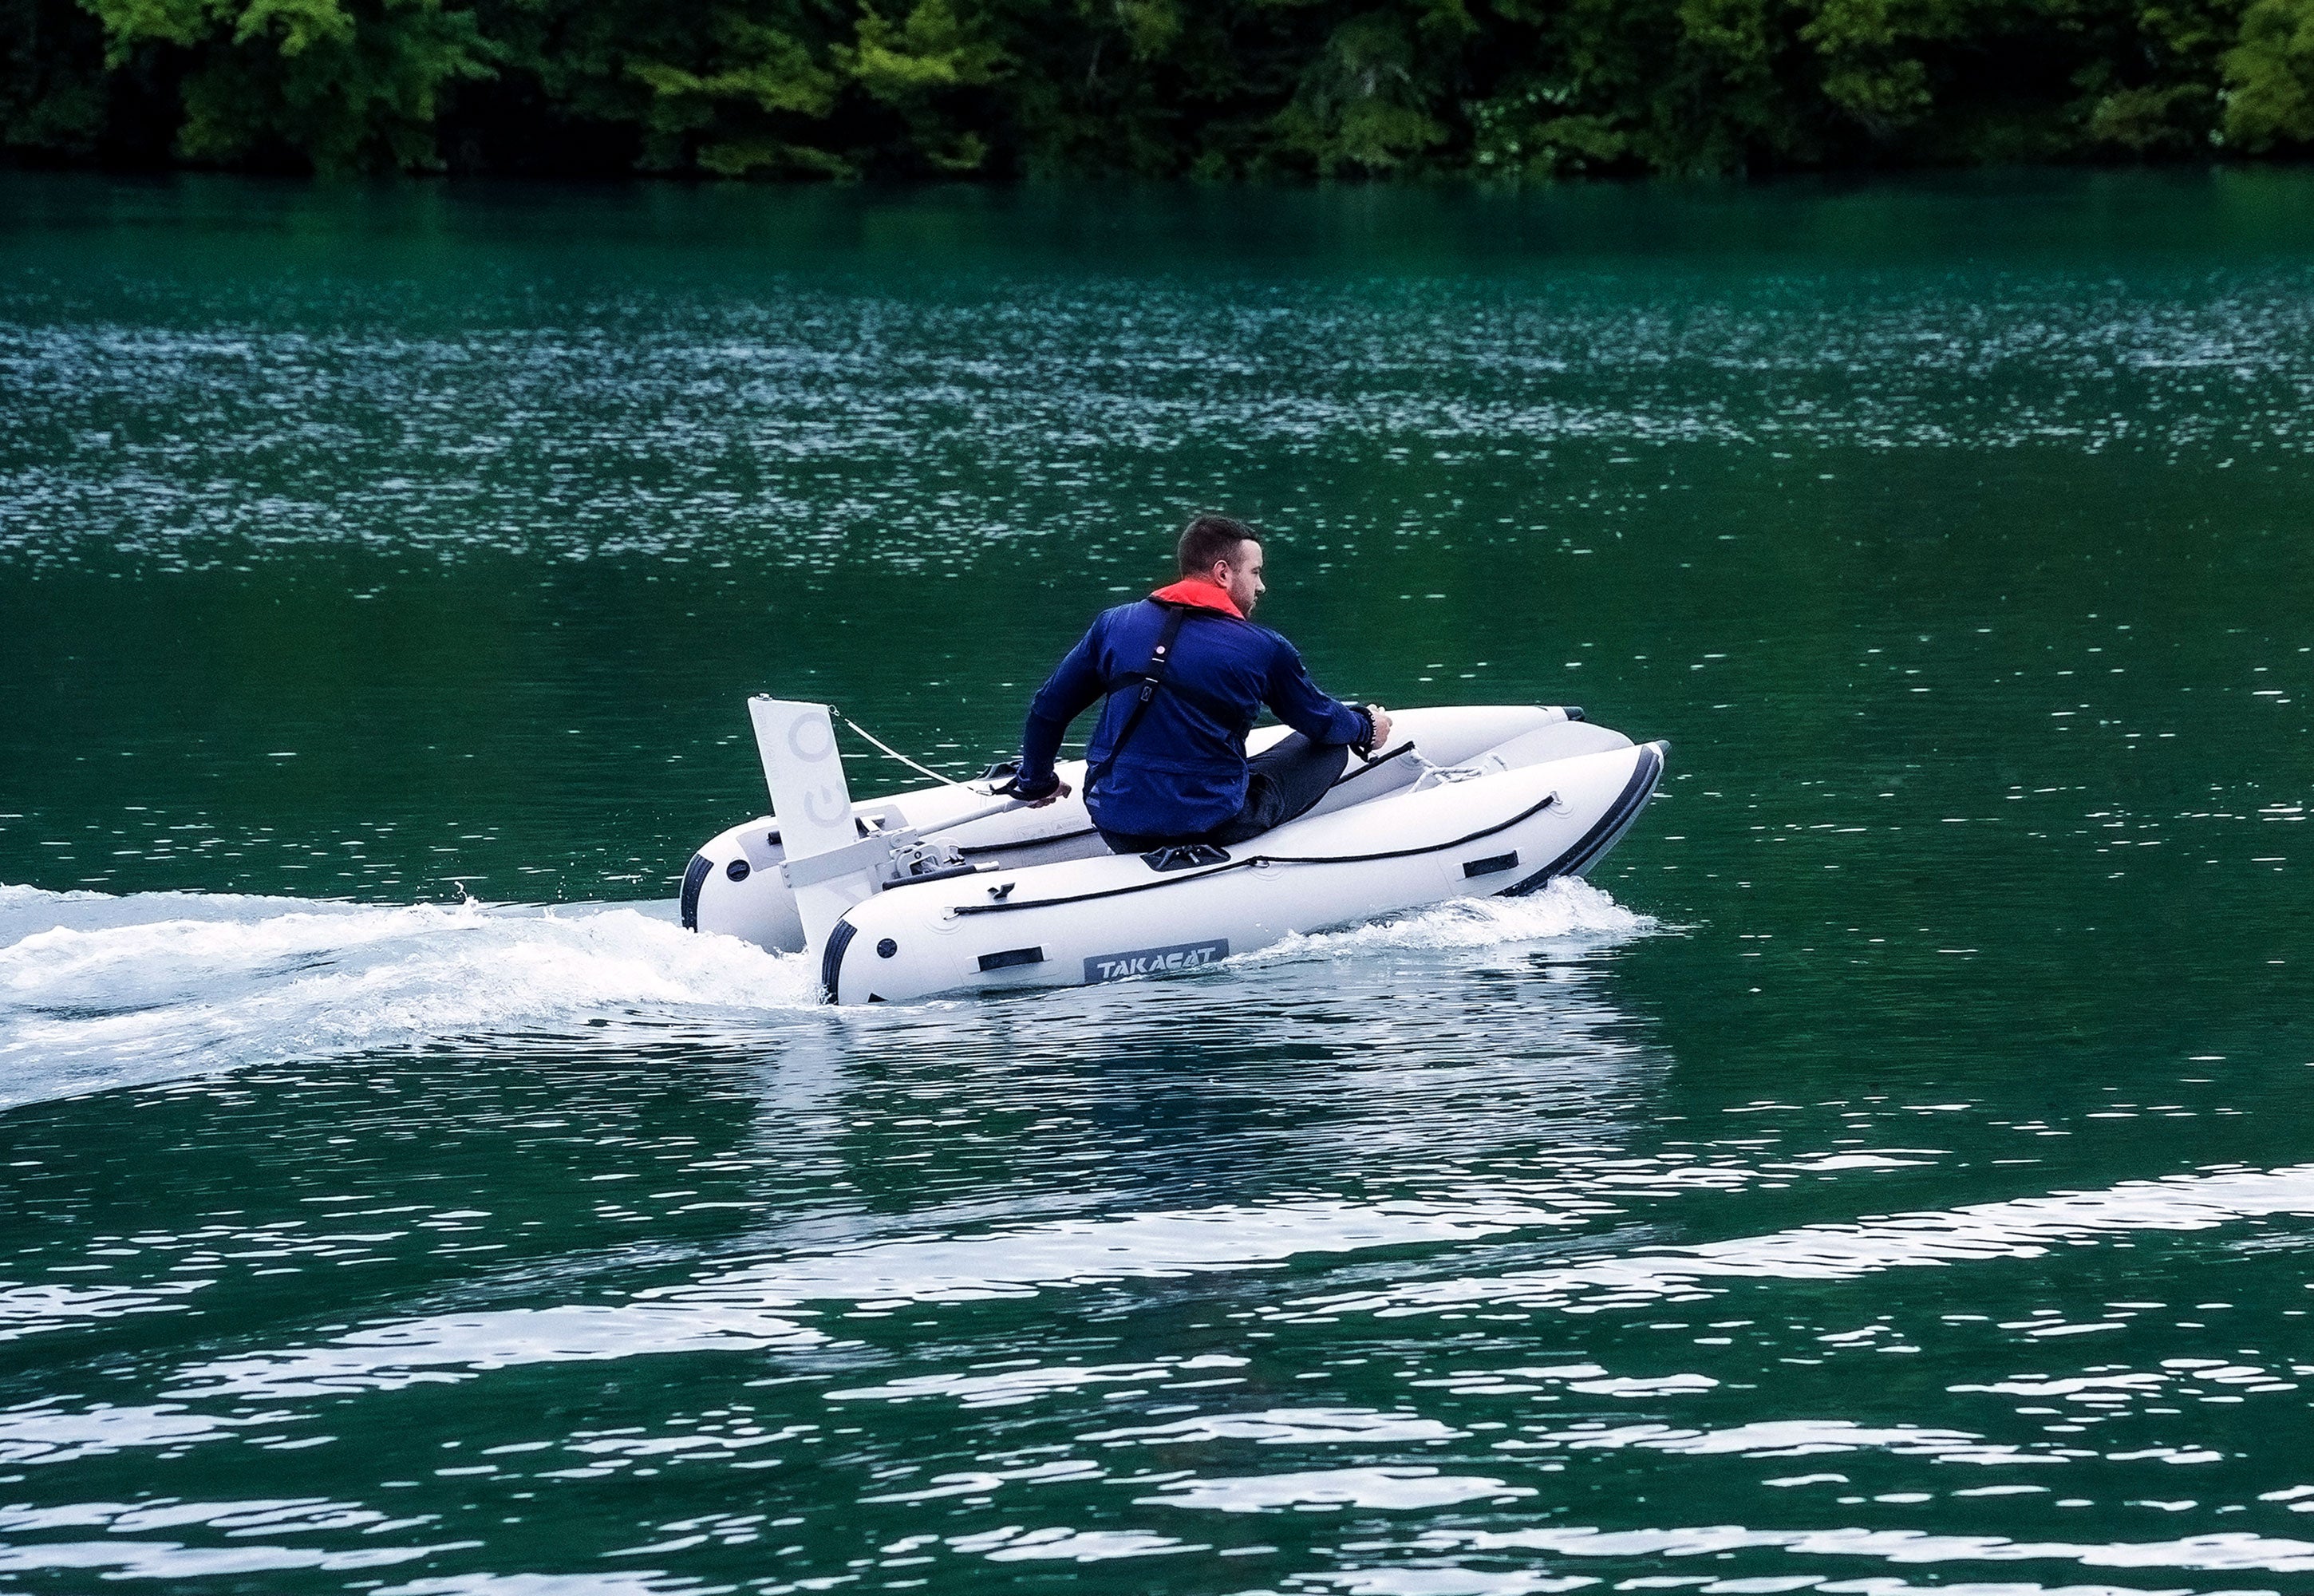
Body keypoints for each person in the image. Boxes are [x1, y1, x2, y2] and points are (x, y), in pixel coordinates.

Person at [1002, 515, 1393, 855]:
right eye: (1255, 572)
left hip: (1116, 823)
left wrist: (1036, 781)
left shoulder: (1113, 625)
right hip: (1212, 824)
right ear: (1224, 573)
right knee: (1329, 749)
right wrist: (1365, 727)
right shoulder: (1264, 648)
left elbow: (1048, 709)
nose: (1261, 587)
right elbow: (1322, 722)